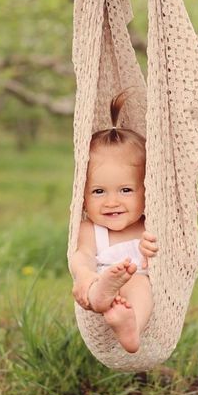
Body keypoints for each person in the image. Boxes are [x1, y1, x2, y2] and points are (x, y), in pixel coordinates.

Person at [70, 93, 158, 353]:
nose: (112, 202)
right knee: (105, 282)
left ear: (147, 190)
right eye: (99, 192)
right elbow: (81, 255)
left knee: (140, 285)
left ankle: (131, 327)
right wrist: (84, 275)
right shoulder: (91, 228)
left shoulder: (148, 225)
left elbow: (164, 256)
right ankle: (100, 294)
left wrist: (152, 249)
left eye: (126, 190)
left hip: (133, 285)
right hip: (99, 281)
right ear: (82, 197)